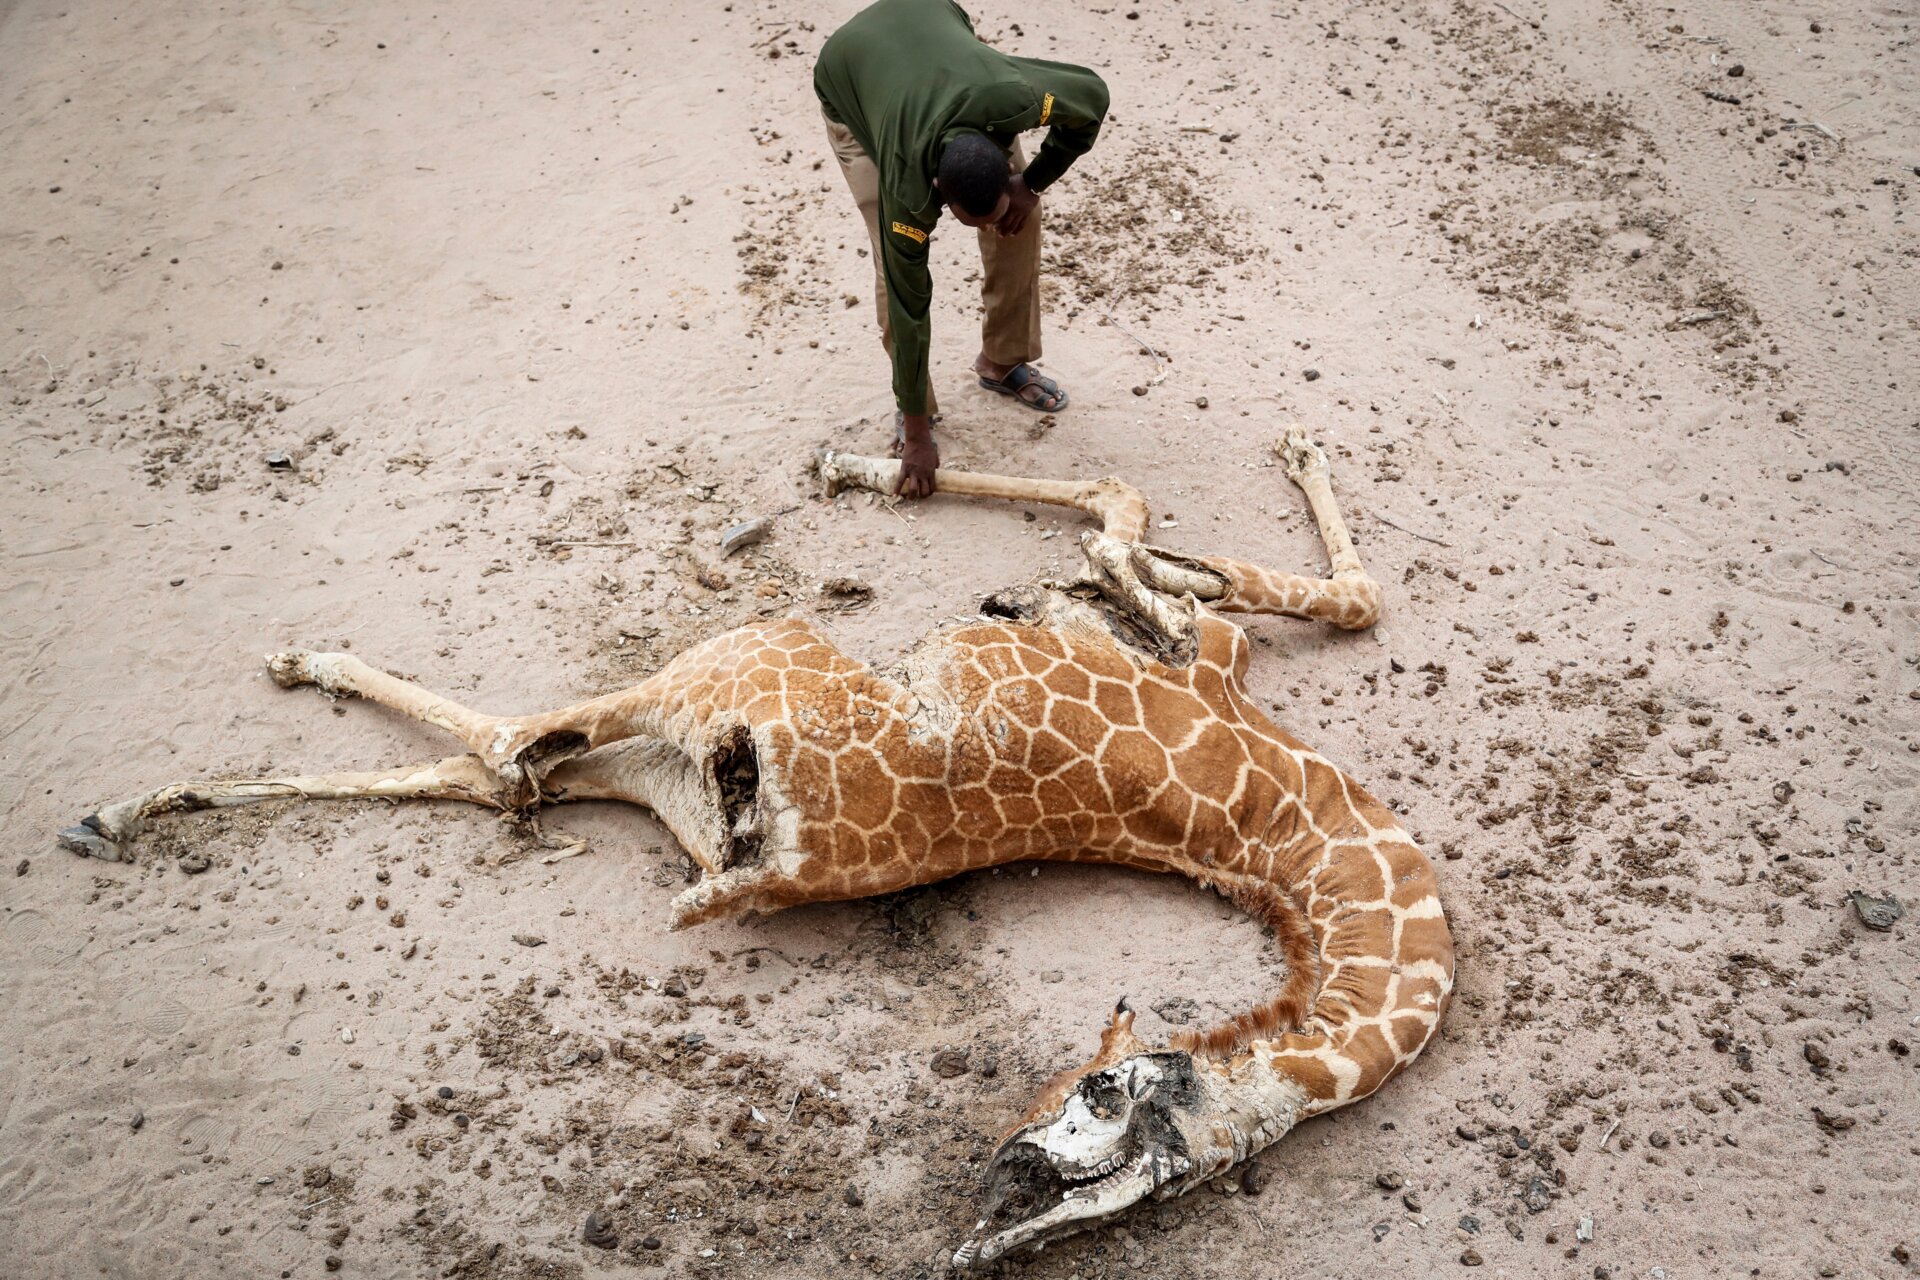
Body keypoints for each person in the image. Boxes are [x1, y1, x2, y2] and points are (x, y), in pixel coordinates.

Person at [814, 0, 1109, 497]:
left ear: (1000, 155)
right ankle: (917, 410)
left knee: (1023, 220)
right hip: (851, 85)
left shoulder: (1011, 99)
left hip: (931, 15)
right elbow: (911, 307)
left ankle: (1002, 360)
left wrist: (1032, 183)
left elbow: (1092, 96)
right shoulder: (909, 194)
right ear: (936, 190)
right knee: (894, 270)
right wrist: (917, 437)